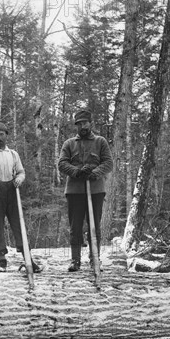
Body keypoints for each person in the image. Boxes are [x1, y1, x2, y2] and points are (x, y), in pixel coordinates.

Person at [0, 122, 42, 273]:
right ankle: (2, 261)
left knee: (19, 225)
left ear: (7, 136)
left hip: (13, 193)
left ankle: (28, 260)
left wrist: (20, 178)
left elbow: (21, 172)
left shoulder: (13, 154)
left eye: (2, 134)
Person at [58, 109, 113, 272]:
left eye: (85, 123)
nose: (82, 126)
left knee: (94, 226)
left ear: (91, 123)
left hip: (95, 190)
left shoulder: (100, 142)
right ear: (76, 126)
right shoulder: (69, 144)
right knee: (75, 227)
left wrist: (94, 172)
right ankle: (75, 260)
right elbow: (62, 163)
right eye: (79, 123)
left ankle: (94, 259)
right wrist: (77, 171)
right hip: (75, 191)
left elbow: (108, 163)